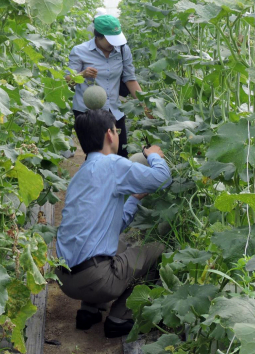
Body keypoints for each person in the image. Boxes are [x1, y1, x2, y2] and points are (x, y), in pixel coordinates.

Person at [56, 109, 171, 338]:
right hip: (95, 279)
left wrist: (134, 199)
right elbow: (163, 179)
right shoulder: (113, 165)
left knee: (115, 246)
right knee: (158, 253)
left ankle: (89, 310)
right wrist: (153, 155)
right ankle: (120, 318)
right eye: (116, 131)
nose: (118, 135)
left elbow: (110, 227)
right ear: (110, 134)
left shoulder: (80, 175)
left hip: (64, 279)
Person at [66, 13, 145, 157]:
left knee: (121, 153)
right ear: (98, 36)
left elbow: (130, 79)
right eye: (110, 41)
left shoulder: (122, 50)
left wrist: (145, 105)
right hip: (88, 112)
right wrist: (82, 75)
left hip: (114, 110)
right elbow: (68, 81)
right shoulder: (79, 51)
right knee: (95, 155)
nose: (113, 44)